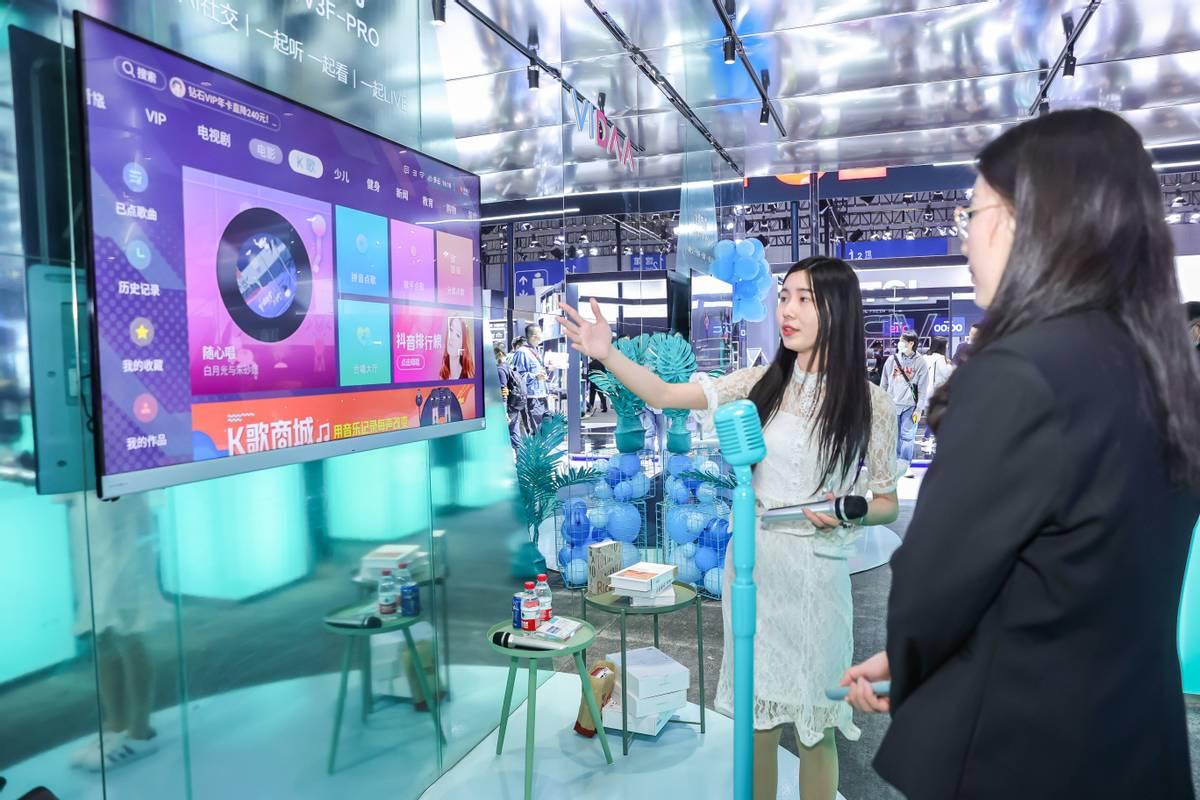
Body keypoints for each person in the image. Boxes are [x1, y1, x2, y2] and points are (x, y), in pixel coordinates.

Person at [841, 109, 1200, 800]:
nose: (965, 238)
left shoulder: (1019, 374)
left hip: (1022, 749)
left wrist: (914, 657)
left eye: (971, 213)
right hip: (1134, 743)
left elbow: (935, 580)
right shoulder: (1160, 372)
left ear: (1024, 221)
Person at [561, 257, 901, 800]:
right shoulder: (761, 384)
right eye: (784, 296)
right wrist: (607, 353)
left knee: (816, 729)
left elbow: (885, 501)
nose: (787, 310)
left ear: (837, 310)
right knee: (757, 722)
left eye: (804, 299)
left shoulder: (871, 403)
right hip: (754, 569)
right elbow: (665, 395)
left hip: (818, 578)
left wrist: (848, 508)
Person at [878, 330, 928, 466]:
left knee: (907, 436)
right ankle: (894, 464)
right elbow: (884, 383)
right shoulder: (892, 359)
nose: (899, 343)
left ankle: (904, 465)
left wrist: (919, 409)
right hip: (892, 405)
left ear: (911, 343)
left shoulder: (920, 363)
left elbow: (923, 388)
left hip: (910, 406)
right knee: (892, 436)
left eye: (902, 341)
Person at [509, 325, 550, 434]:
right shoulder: (522, 352)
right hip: (531, 397)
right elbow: (517, 377)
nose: (542, 337)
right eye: (541, 334)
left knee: (543, 428)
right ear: (534, 336)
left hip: (542, 395)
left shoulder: (536, 351)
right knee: (534, 429)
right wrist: (535, 376)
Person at [494, 344, 526, 449]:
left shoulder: (500, 370)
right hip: (515, 405)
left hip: (508, 407)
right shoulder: (509, 367)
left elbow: (503, 392)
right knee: (514, 433)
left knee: (505, 435)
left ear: (499, 354)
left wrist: (504, 412)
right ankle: (520, 456)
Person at [439, 316, 475, 380]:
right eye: (451, 330)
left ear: (463, 344)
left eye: (457, 335)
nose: (452, 337)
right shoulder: (441, 372)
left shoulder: (467, 377)